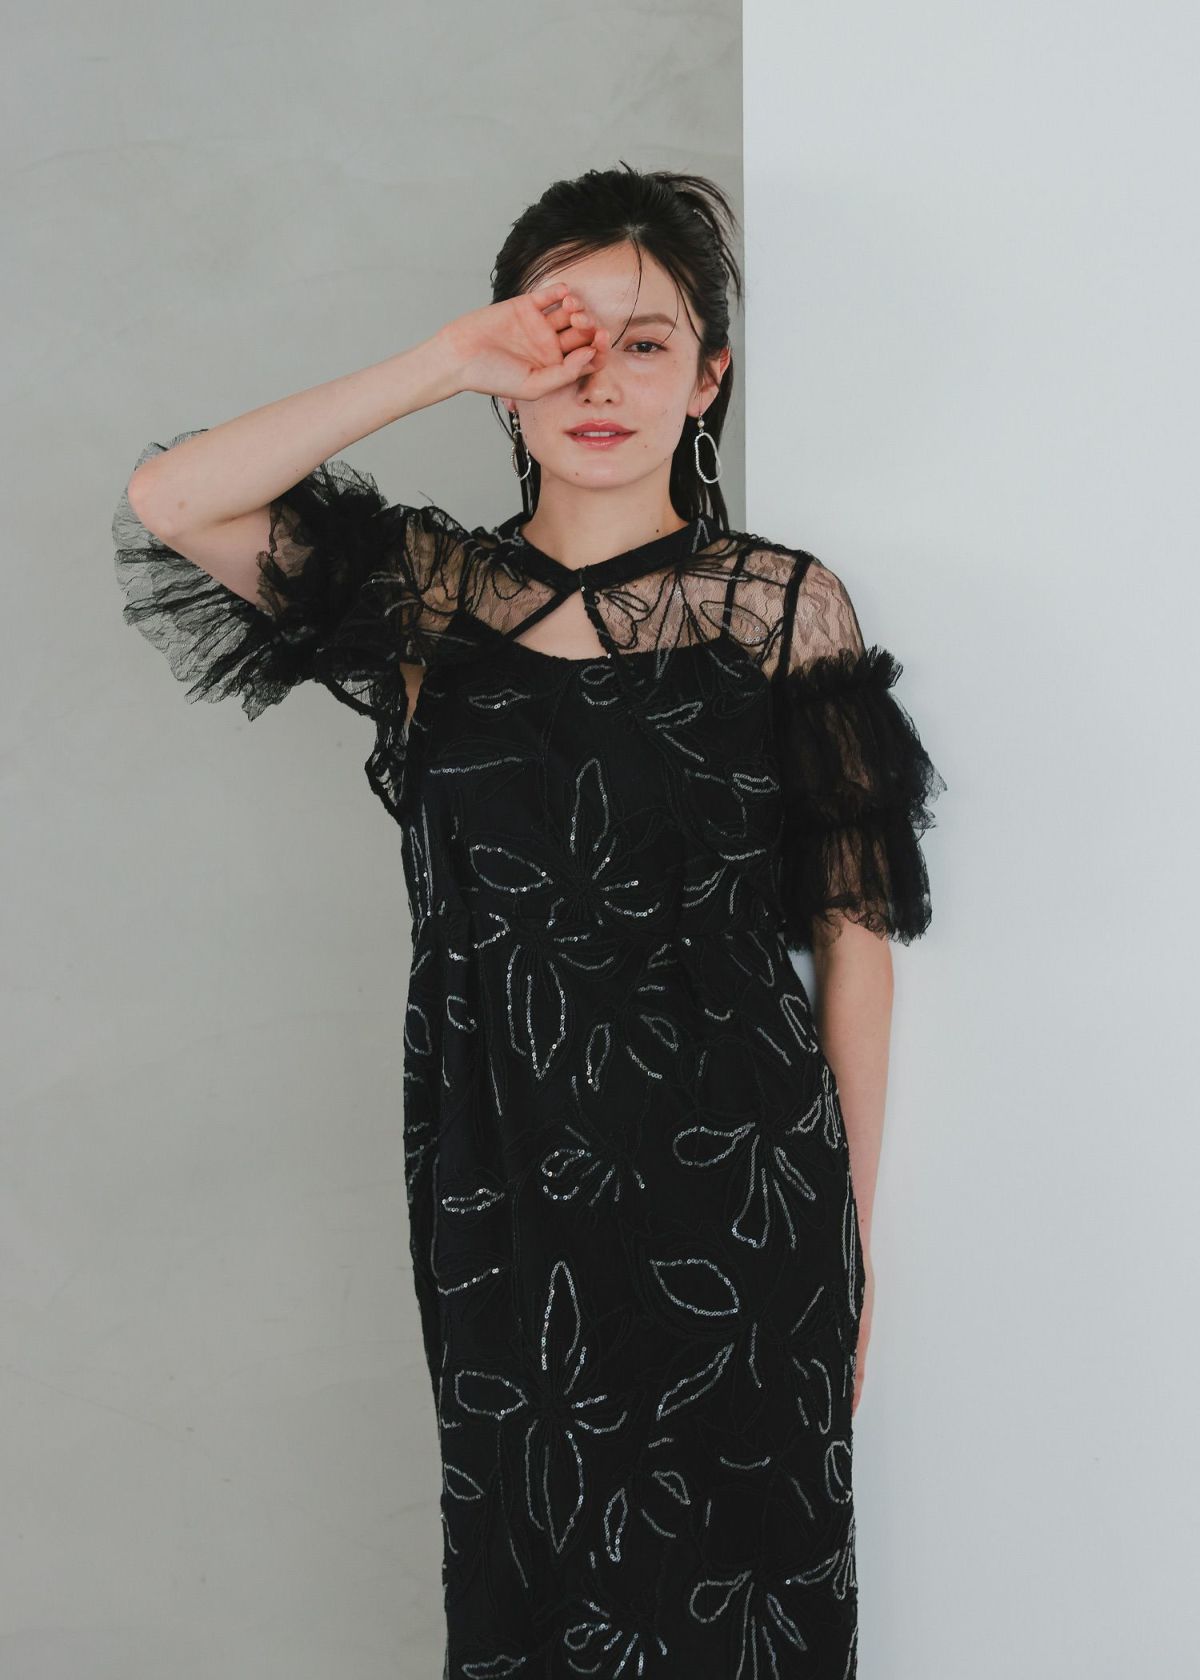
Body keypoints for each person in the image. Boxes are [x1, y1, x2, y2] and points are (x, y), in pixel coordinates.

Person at [112, 163, 946, 1678]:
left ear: (709, 378)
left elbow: (855, 942)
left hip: (746, 1204)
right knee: (536, 1600)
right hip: (505, 1195)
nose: (601, 380)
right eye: (565, 338)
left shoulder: (780, 611)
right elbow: (175, 502)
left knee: (752, 1611)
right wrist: (443, 359)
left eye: (647, 342)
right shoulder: (429, 600)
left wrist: (854, 1243)